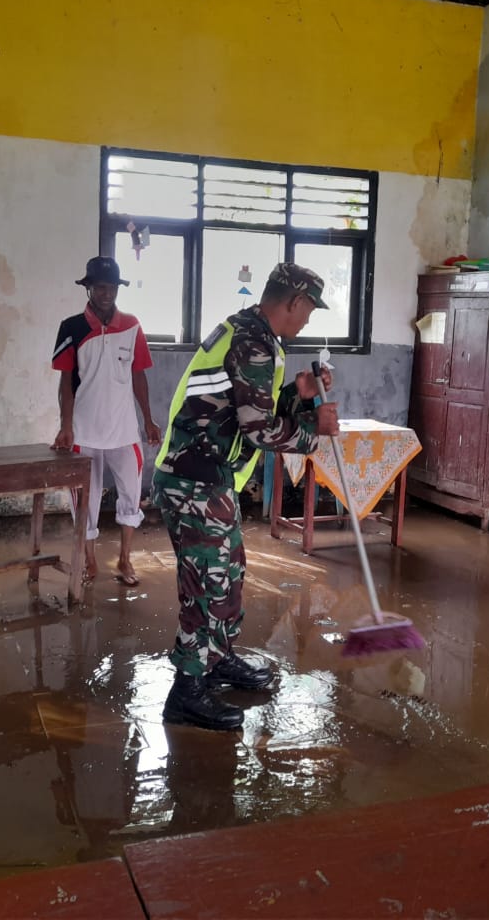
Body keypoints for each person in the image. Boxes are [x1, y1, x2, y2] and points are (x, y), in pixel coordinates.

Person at [152, 263, 339, 731]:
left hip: (210, 479)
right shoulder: (253, 342)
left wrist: (298, 395)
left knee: (229, 573)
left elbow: (250, 408)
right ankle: (187, 691)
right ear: (293, 302)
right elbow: (259, 430)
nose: (308, 320)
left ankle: (216, 660)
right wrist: (315, 431)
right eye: (309, 310)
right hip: (193, 480)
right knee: (207, 586)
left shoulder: (252, 334)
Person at [51, 256, 162, 585]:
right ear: (88, 288)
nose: (106, 293)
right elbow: (66, 383)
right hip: (85, 432)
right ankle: (89, 560)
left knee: (131, 496)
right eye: (100, 287)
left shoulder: (131, 326)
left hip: (124, 431)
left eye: (111, 287)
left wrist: (149, 419)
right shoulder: (71, 328)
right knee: (85, 500)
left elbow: (139, 376)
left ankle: (125, 560)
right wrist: (66, 426)